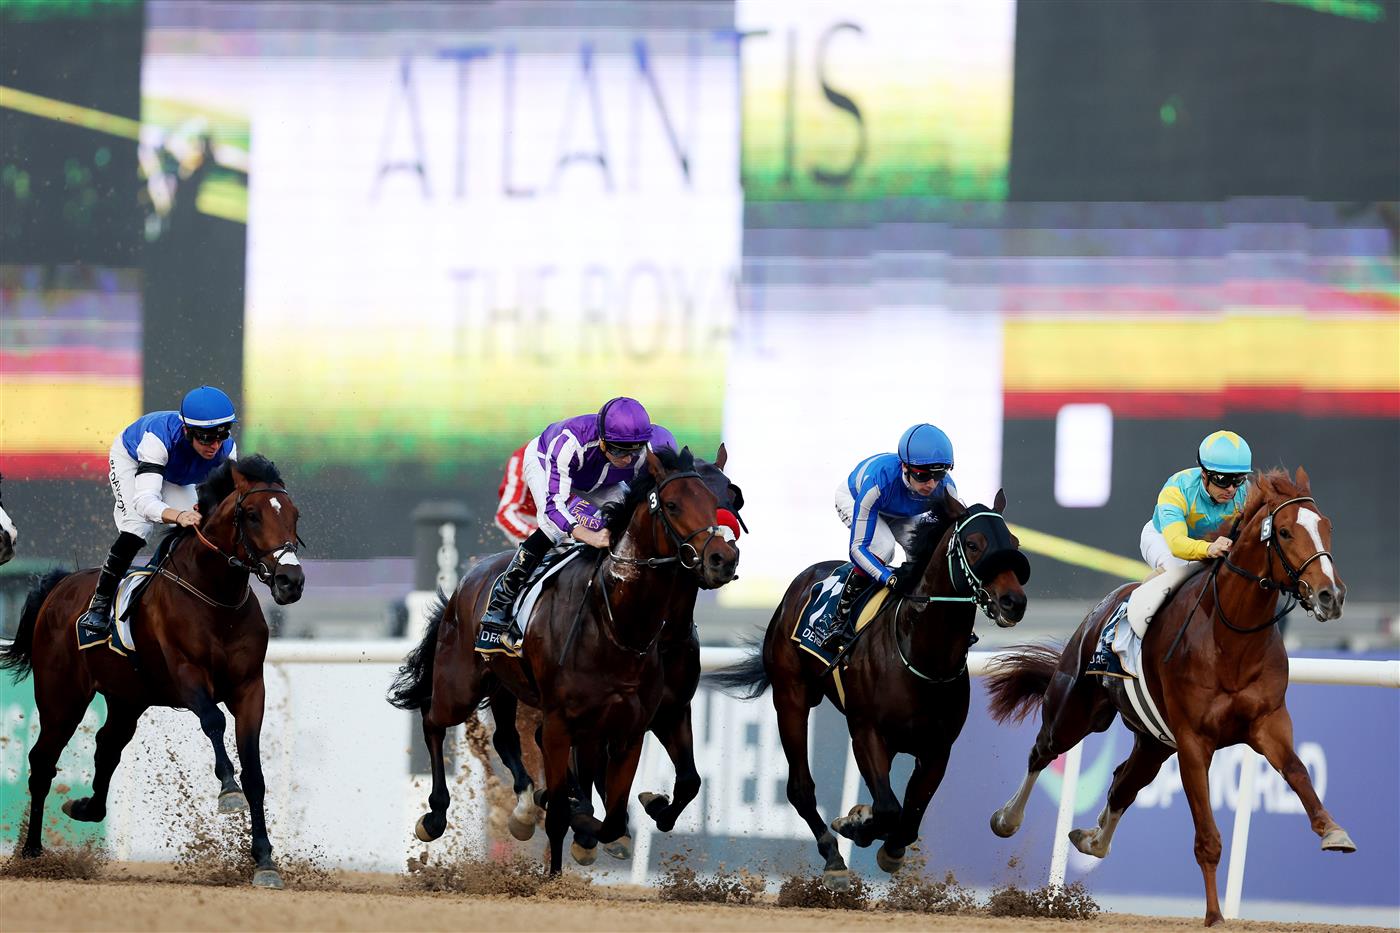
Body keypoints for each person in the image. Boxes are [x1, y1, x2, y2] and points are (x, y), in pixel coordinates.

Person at [480, 397, 677, 651]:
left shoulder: (657, 444)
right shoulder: (569, 443)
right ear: (603, 440)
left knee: (625, 522)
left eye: (635, 450)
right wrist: (590, 535)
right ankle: (502, 600)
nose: (627, 460)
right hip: (546, 462)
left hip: (601, 478)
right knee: (554, 529)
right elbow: (554, 509)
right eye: (619, 450)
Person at [76, 385, 239, 639]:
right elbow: (144, 501)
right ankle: (99, 604)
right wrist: (178, 515)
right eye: (206, 438)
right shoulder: (157, 440)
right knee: (138, 527)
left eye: (221, 436)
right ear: (187, 431)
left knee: (200, 529)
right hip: (132, 459)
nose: (215, 446)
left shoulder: (228, 450)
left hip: (175, 473)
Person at [822, 423, 959, 651]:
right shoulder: (879, 482)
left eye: (940, 474)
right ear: (904, 466)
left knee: (926, 551)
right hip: (856, 498)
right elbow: (858, 549)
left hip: (900, 511)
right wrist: (888, 577)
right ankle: (839, 618)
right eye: (923, 475)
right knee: (883, 548)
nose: (932, 484)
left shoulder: (946, 488)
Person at [1139, 430, 1252, 575]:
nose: (1231, 489)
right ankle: (1140, 597)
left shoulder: (1246, 492)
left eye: (1238, 479)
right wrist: (1208, 548)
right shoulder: (1176, 489)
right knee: (1177, 573)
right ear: (1204, 475)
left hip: (1213, 543)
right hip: (1164, 540)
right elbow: (1176, 543)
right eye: (1222, 480)